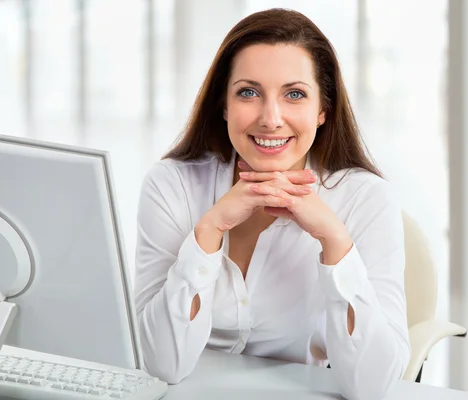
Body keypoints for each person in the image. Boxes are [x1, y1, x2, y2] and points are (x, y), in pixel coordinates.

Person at [134, 8, 410, 400]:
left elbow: (371, 386)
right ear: (224, 105)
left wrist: (334, 241)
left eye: (294, 94)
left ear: (322, 111)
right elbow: (162, 363)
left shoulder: (366, 198)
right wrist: (208, 232)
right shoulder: (171, 184)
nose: (271, 118)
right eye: (248, 92)